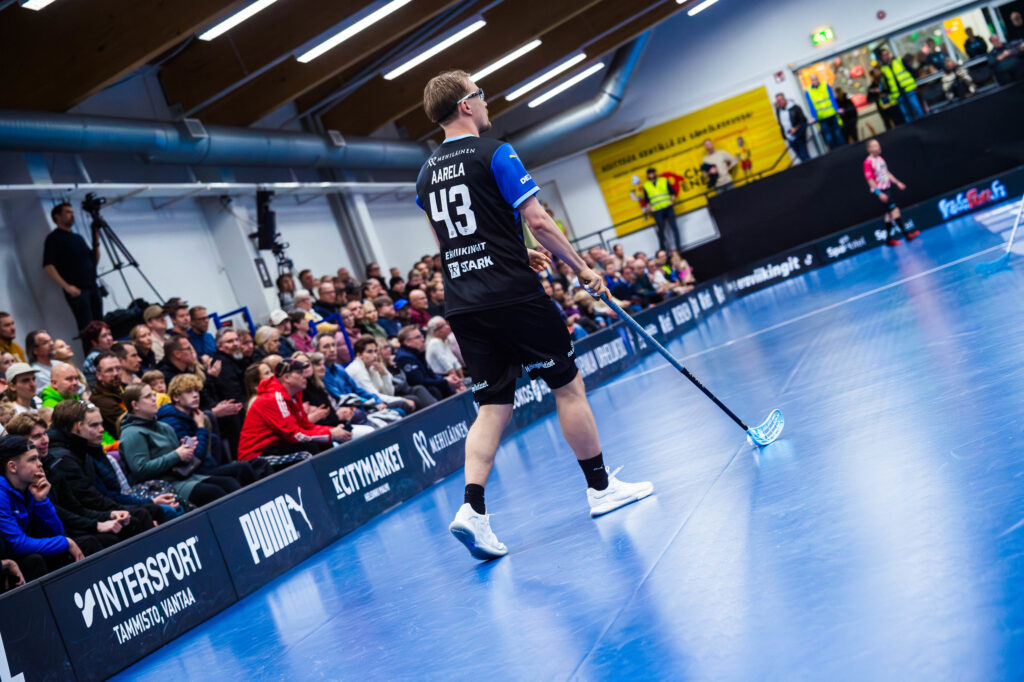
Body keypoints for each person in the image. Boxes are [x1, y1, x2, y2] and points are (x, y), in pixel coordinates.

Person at [417, 70, 653, 559]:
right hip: (513, 296)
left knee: (492, 407)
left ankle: (473, 510)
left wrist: (513, 251)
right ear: (465, 105)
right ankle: (600, 488)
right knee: (567, 386)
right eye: (480, 94)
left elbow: (448, 243)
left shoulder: (424, 175)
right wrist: (583, 268)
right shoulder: (495, 152)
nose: (486, 102)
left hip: (464, 303)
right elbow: (540, 221)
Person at [45, 402, 158, 537]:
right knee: (142, 514)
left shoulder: (81, 449)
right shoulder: (65, 458)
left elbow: (104, 492)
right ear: (79, 426)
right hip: (82, 522)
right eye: (94, 425)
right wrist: (113, 514)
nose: (101, 429)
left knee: (147, 510)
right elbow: (88, 502)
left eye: (101, 424)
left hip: (96, 510)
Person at [120, 383, 239, 507]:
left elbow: (177, 457)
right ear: (135, 405)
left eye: (153, 395)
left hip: (183, 477)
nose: (154, 399)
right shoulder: (132, 433)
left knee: (229, 483)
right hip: (161, 487)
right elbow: (141, 470)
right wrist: (176, 455)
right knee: (214, 492)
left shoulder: (163, 426)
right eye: (148, 396)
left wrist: (186, 451)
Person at [0, 435, 89, 582]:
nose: (40, 464)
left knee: (85, 544)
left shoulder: (29, 487)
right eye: (32, 459)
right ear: (12, 467)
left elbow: (56, 532)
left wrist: (41, 501)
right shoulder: (1, 493)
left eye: (38, 458)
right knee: (35, 560)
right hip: (9, 561)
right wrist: (64, 542)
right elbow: (16, 544)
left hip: (23, 553)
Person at [238, 358, 352, 466]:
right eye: (299, 372)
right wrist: (331, 435)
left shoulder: (294, 395)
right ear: (286, 377)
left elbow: (306, 426)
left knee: (321, 443)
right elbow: (295, 435)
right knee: (307, 451)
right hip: (256, 456)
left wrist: (333, 430)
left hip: (276, 447)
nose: (304, 375)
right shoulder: (273, 398)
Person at [158, 374, 258, 484]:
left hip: (206, 468)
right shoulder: (171, 421)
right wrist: (201, 427)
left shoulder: (193, 415)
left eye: (196, 390)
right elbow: (195, 457)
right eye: (189, 391)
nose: (195, 395)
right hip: (192, 474)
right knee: (238, 474)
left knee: (258, 463)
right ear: (176, 397)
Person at [41, 203, 102, 340]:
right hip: (78, 291)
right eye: (68, 212)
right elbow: (48, 266)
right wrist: (67, 287)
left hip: (93, 286)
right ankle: (93, 354)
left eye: (72, 212)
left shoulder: (78, 238)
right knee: (88, 330)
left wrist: (96, 242)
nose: (72, 215)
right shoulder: (53, 238)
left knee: (101, 326)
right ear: (57, 216)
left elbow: (93, 261)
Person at [864, 138, 918, 247]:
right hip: (880, 192)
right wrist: (879, 193)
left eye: (878, 145)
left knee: (889, 215)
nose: (878, 147)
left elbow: (886, 174)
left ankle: (889, 239)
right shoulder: (868, 162)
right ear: (869, 149)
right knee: (895, 210)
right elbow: (870, 180)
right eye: (875, 146)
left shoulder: (880, 159)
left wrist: (897, 182)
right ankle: (907, 234)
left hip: (887, 189)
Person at [345, 336, 421, 412]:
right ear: (359, 355)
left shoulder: (372, 366)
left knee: (413, 398)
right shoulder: (357, 370)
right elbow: (373, 396)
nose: (374, 355)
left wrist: (384, 374)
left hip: (375, 402)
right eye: (369, 352)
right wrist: (402, 399)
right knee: (404, 403)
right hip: (362, 408)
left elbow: (390, 393)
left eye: (375, 351)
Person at [395, 326, 459, 399]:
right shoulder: (404, 358)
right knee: (435, 389)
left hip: (430, 387)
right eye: (418, 337)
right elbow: (419, 381)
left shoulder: (418, 353)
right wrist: (445, 381)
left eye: (422, 336)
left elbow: (430, 374)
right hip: (420, 393)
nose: (423, 339)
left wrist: (446, 378)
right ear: (407, 342)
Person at [878, 48, 924, 123]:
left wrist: (913, 81)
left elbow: (911, 70)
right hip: (897, 93)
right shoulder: (883, 69)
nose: (886, 56)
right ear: (882, 57)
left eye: (887, 54)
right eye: (884, 55)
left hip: (908, 88)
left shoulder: (898, 60)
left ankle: (924, 122)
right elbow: (885, 84)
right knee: (906, 114)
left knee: (917, 108)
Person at [641, 167, 680, 251]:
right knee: (661, 231)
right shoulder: (646, 185)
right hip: (657, 210)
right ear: (647, 175)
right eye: (650, 174)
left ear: (655, 173)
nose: (651, 175)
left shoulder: (663, 180)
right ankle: (663, 250)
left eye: (653, 173)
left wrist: (671, 201)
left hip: (668, 207)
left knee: (674, 228)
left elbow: (672, 193)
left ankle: (678, 248)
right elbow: (646, 200)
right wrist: (651, 208)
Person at [804, 73, 844, 150]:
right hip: (821, 118)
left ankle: (844, 150)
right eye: (813, 80)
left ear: (818, 78)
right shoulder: (808, 91)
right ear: (810, 81)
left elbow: (832, 98)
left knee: (838, 134)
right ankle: (834, 152)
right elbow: (810, 105)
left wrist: (837, 109)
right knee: (828, 137)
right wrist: (814, 117)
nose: (815, 81)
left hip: (831, 114)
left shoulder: (825, 85)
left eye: (816, 79)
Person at [773, 92, 812, 163]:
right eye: (778, 101)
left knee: (804, 155)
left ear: (785, 99)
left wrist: (796, 128)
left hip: (799, 135)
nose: (780, 102)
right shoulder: (778, 110)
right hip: (789, 137)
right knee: (800, 156)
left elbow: (803, 120)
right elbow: (780, 123)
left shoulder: (795, 107)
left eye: (781, 100)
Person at [79, 320, 114, 387]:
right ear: (94, 342)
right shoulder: (94, 357)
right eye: (104, 336)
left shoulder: (109, 352)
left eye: (109, 334)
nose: (109, 338)